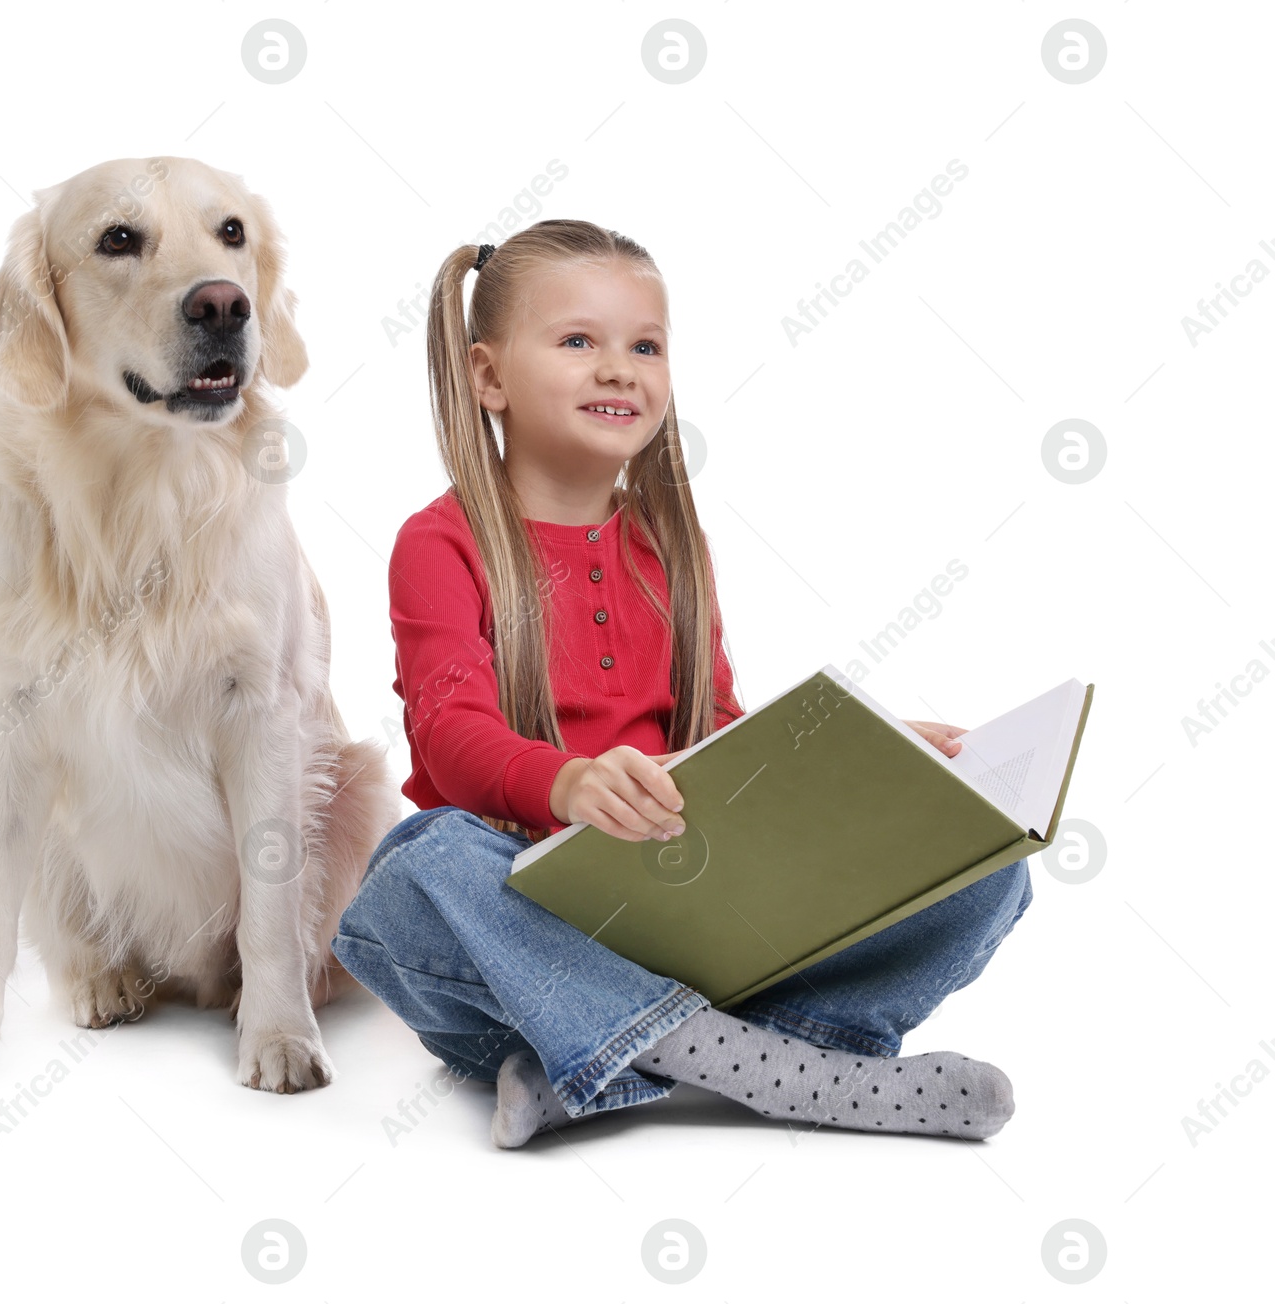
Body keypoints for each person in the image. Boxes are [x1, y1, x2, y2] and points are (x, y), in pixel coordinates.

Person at [329, 221, 1033, 1148]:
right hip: (518, 933)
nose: (620, 368)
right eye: (579, 341)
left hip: (688, 912)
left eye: (645, 346)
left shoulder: (672, 548)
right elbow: (451, 737)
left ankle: (601, 1061)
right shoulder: (440, 542)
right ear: (488, 377)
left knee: (990, 870)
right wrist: (567, 784)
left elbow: (723, 740)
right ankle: (795, 1076)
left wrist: (858, 751)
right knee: (418, 862)